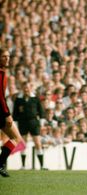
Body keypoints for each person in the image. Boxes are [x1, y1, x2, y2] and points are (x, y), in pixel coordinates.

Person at [0, 47, 25, 177]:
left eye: (8, 56)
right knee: (16, 138)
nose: (7, 58)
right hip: (0, 112)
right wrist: (7, 114)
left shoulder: (3, 72)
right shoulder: (1, 73)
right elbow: (0, 97)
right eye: (4, 56)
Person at [13, 81, 45, 170]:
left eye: (28, 87)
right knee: (22, 143)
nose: (26, 89)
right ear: (22, 89)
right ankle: (23, 165)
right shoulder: (18, 99)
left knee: (38, 143)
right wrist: (15, 124)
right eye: (25, 87)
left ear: (31, 88)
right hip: (22, 123)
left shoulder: (35, 98)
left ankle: (42, 166)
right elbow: (15, 113)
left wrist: (41, 123)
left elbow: (41, 111)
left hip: (33, 122)